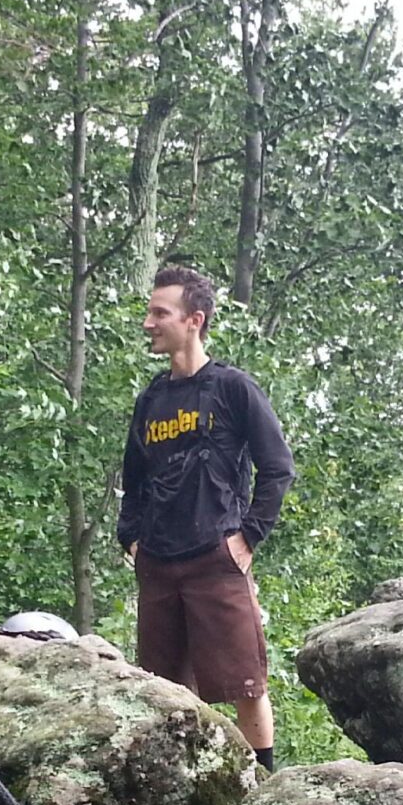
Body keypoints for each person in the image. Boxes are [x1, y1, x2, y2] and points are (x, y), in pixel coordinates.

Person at [116, 265, 295, 772]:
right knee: (164, 692)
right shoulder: (150, 399)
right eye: (149, 312)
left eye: (159, 313)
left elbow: (278, 468)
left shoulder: (233, 389)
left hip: (217, 560)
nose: (148, 322)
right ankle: (183, 796)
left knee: (244, 682)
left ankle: (263, 784)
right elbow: (135, 478)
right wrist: (130, 538)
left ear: (194, 320)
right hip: (159, 563)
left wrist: (247, 537)